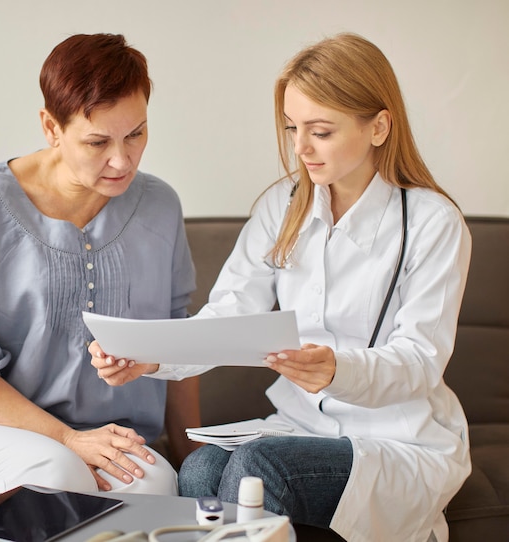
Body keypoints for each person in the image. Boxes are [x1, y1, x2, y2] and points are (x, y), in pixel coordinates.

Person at [91, 33, 472, 542]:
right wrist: (150, 359)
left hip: (398, 438)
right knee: (201, 470)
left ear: (379, 126)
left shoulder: (432, 223)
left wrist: (337, 369)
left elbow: (422, 361)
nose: (300, 148)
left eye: (321, 131)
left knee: (259, 466)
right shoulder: (282, 206)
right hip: (300, 428)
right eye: (293, 128)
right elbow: (227, 314)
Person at [0, 33, 201, 502]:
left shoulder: (159, 206)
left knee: (154, 488)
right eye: (97, 141)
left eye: (135, 133)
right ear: (51, 128)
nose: (122, 159)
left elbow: (180, 343)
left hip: (95, 438)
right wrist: (68, 440)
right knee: (55, 476)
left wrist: (193, 463)